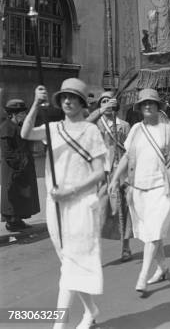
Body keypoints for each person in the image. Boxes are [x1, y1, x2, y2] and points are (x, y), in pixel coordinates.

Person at [21, 79, 107, 329]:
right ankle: (91, 311)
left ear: (82, 103)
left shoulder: (91, 132)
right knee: (69, 263)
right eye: (64, 97)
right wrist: (36, 104)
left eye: (73, 97)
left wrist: (72, 190)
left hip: (80, 204)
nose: (68, 101)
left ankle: (58, 325)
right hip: (55, 205)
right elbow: (25, 133)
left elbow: (100, 172)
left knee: (70, 264)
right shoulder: (53, 129)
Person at [111, 88, 170, 296]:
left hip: (163, 188)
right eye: (143, 103)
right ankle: (163, 268)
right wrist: (116, 177)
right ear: (139, 107)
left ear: (158, 106)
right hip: (139, 188)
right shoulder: (135, 129)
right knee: (149, 235)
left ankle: (142, 276)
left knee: (153, 231)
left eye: (151, 103)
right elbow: (126, 156)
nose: (147, 106)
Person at [88, 91, 133, 262]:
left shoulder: (124, 125)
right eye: (103, 101)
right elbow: (83, 124)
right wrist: (100, 111)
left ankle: (125, 246)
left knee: (123, 210)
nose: (107, 104)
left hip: (118, 173)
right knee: (98, 211)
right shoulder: (94, 124)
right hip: (100, 173)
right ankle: (94, 251)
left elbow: (130, 152)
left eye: (109, 101)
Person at [1, 99, 40, 232]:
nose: (24, 115)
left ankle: (17, 220)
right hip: (13, 168)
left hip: (22, 166)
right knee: (12, 194)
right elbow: (7, 152)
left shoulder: (20, 126)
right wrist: (20, 163)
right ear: (13, 114)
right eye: (22, 113)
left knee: (22, 194)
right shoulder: (6, 127)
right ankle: (11, 222)